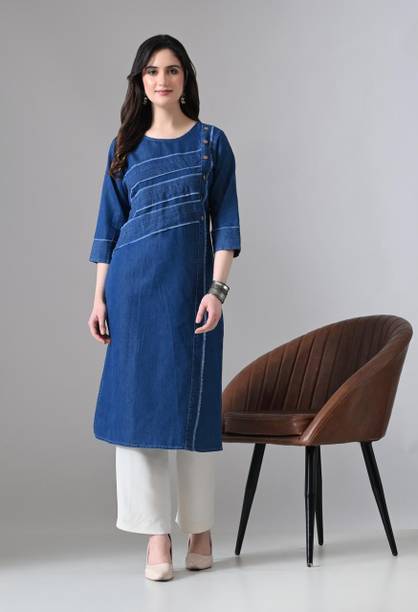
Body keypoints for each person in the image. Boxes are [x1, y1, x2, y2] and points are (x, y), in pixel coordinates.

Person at [87, 34, 241, 581]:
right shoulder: (123, 147)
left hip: (191, 296)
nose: (162, 79)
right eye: (152, 71)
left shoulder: (211, 143)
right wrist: (99, 297)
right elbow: (108, 229)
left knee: (194, 410)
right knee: (139, 412)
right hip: (131, 295)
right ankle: (156, 535)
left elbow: (226, 223)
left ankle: (199, 528)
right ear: (140, 80)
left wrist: (217, 291)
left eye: (172, 70)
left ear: (185, 78)